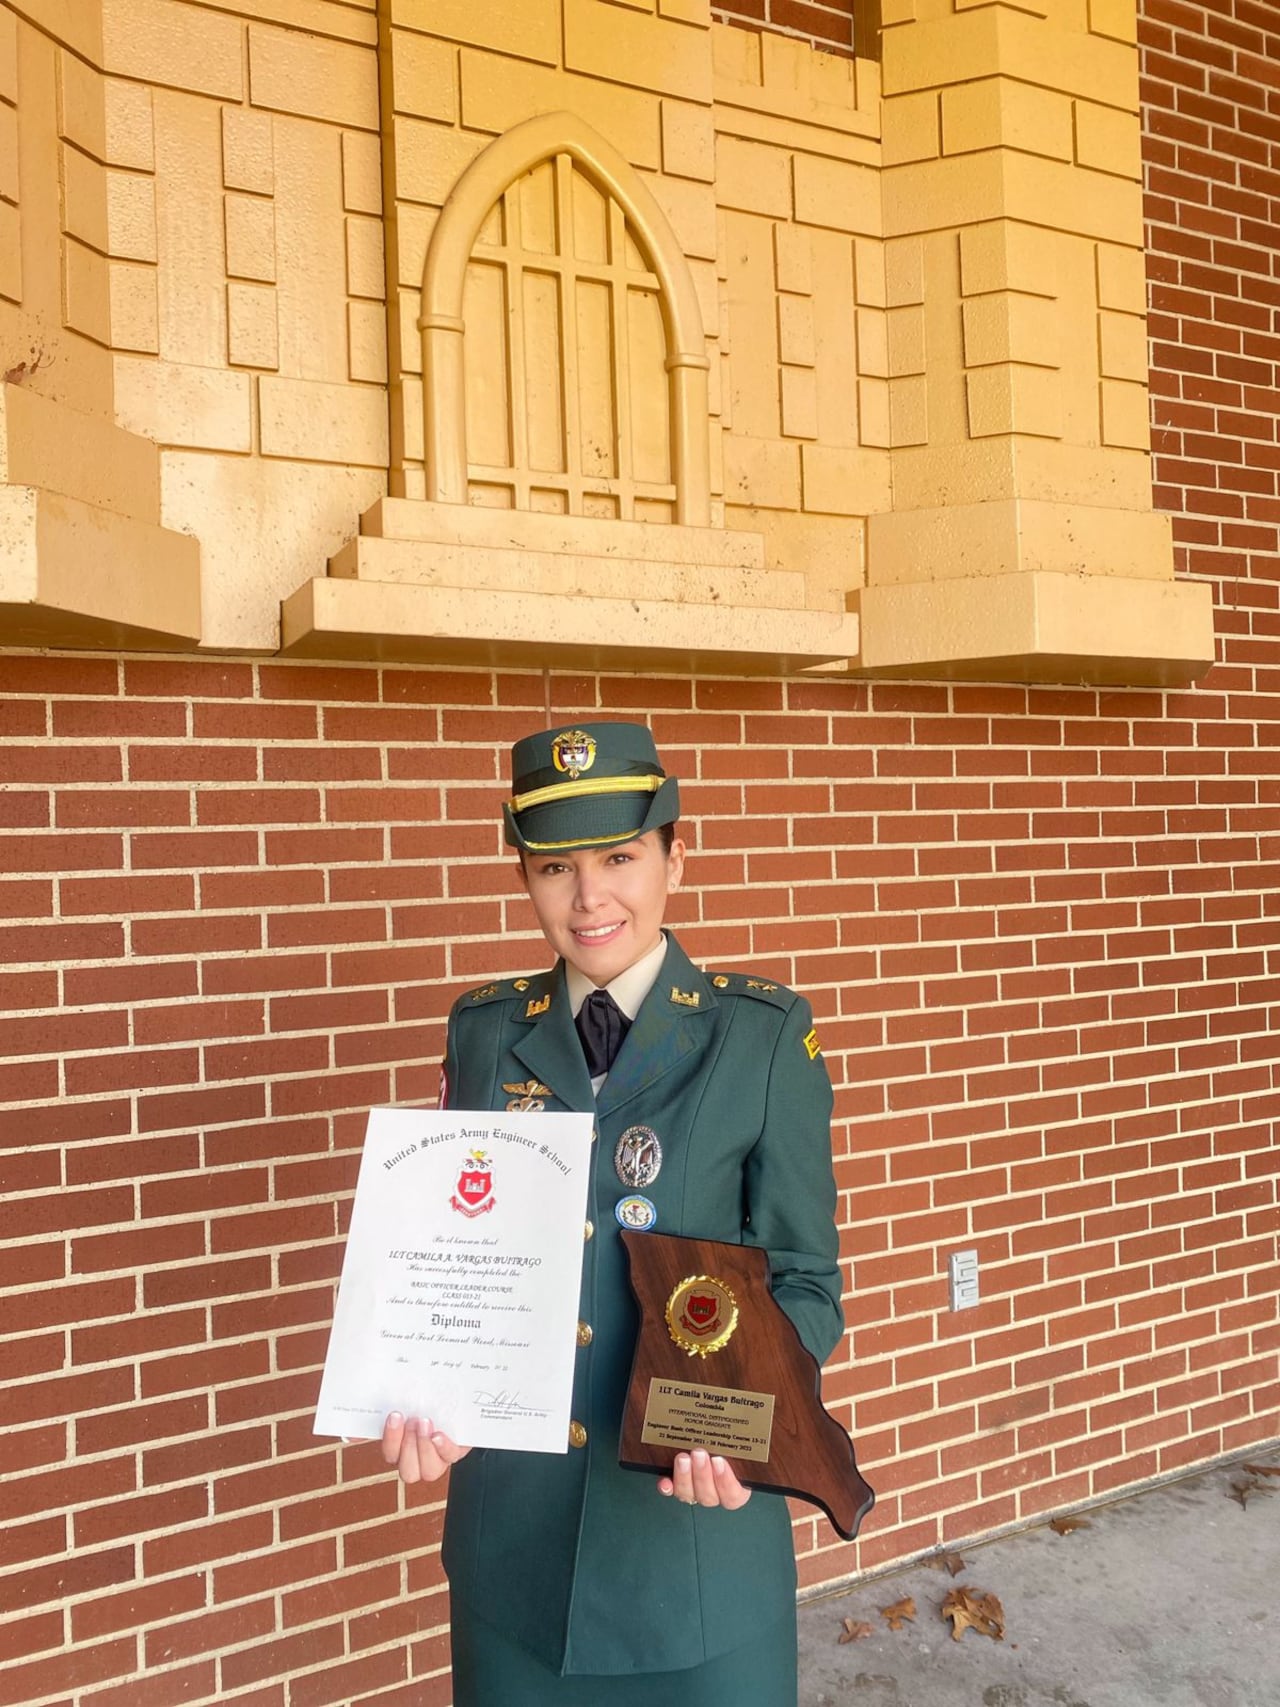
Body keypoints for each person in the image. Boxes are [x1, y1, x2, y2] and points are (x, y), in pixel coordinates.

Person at [381, 720, 844, 1705]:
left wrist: (747, 1415)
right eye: (553, 867)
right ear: (523, 878)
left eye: (620, 858)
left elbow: (806, 1283)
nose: (588, 898)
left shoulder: (759, 1037)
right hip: (515, 1551)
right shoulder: (485, 1033)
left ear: (677, 856)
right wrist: (420, 1384)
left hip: (693, 1553)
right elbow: (455, 1257)